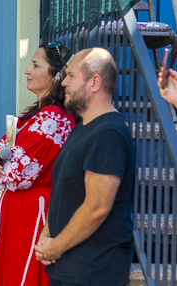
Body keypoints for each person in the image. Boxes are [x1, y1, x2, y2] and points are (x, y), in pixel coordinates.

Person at [35, 48, 135, 286]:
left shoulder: (108, 133)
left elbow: (97, 207)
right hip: (68, 267)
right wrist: (47, 234)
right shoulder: (82, 128)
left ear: (95, 83)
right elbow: (66, 192)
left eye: (70, 76)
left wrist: (55, 247)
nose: (64, 84)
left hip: (93, 271)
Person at [0, 42, 76, 286]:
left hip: (34, 211)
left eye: (35, 65)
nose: (26, 70)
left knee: (24, 275)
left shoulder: (53, 119)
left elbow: (15, 172)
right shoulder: (32, 116)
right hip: (21, 210)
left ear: (56, 76)